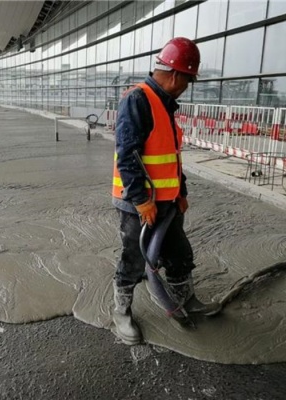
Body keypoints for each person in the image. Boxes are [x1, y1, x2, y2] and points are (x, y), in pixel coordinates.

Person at [111, 37, 220, 345]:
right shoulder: (139, 100)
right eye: (188, 80)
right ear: (175, 75)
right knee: (134, 259)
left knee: (179, 254)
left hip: (168, 203)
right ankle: (121, 313)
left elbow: (171, 155)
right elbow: (127, 154)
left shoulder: (164, 104)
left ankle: (185, 300)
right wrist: (142, 200)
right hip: (139, 205)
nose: (187, 86)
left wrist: (181, 192)